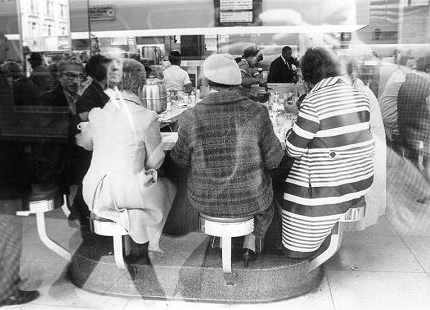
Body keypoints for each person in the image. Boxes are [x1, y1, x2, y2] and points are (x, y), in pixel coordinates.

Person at [171, 54, 283, 266]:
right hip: (250, 200)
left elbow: (179, 159)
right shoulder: (257, 112)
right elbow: (274, 160)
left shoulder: (189, 116)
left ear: (205, 83)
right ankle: (250, 244)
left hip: (205, 199)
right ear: (238, 83)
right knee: (266, 200)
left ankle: (223, 242)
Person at [80, 59, 176, 263]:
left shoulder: (97, 114)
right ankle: (142, 248)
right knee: (167, 187)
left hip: (94, 191)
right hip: (128, 192)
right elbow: (156, 160)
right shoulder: (147, 116)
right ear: (141, 87)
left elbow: (87, 144)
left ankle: (133, 238)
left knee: (140, 187)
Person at [282, 47, 374, 259]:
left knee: (280, 179)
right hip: (359, 177)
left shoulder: (314, 100)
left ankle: (295, 248)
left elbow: (294, 150)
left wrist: (290, 132)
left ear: (306, 77)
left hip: (332, 183)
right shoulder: (360, 96)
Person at [0, 21, 40, 307]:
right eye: (4, 40)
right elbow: (5, 126)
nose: (8, 46)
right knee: (7, 229)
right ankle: (5, 291)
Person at [340, 56, 387, 230]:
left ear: (353, 74)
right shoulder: (353, 89)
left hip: (370, 148)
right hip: (366, 145)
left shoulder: (361, 93)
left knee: (366, 196)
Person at [33, 57, 86, 206]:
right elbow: (52, 133)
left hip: (73, 159)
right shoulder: (48, 100)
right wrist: (79, 118)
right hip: (58, 163)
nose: (76, 81)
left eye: (80, 76)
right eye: (71, 76)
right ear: (59, 76)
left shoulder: (79, 99)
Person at [72, 54, 113, 229]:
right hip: (91, 147)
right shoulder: (90, 94)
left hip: (101, 143)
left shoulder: (102, 89)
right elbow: (86, 121)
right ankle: (82, 210)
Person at [397, 55, 430, 201]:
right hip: (420, 132)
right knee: (422, 163)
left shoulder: (407, 83)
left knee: (418, 162)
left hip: (409, 132)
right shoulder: (424, 85)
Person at [379, 56, 415, 141]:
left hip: (389, 117)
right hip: (391, 119)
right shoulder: (400, 79)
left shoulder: (399, 75)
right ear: (402, 67)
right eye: (410, 66)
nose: (414, 69)